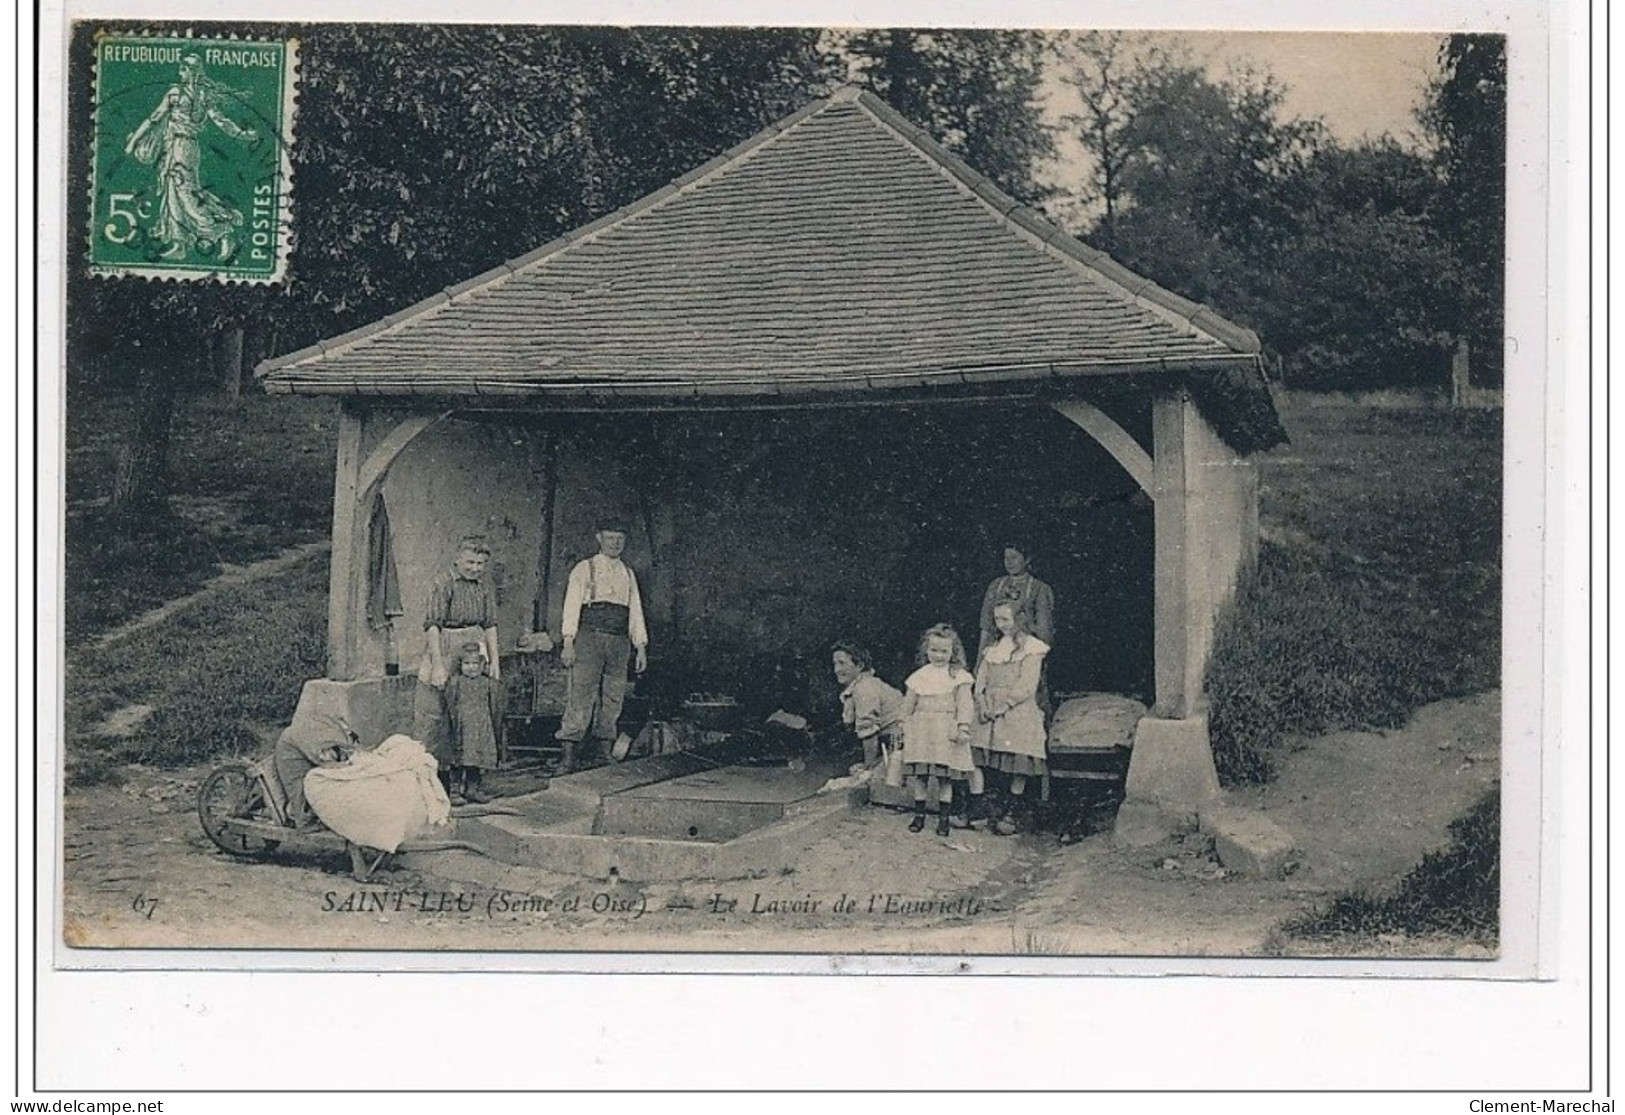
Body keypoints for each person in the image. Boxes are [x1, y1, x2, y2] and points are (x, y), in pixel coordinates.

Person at [122, 54, 258, 262]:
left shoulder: (178, 94)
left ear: (191, 71)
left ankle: (222, 232)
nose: (181, 71)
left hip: (180, 146)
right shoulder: (203, 95)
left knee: (185, 194)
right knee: (174, 193)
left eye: (184, 68)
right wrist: (241, 134)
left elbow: (154, 119)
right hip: (187, 147)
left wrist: (133, 142)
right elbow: (221, 121)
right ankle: (179, 244)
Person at [556, 519, 648, 771]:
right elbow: (572, 606)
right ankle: (568, 757)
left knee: (613, 696)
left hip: (619, 642)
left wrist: (640, 646)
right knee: (581, 694)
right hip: (589, 638)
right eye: (610, 538)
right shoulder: (585, 569)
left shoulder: (628, 573)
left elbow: (636, 612)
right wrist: (568, 641)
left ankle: (603, 753)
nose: (615, 543)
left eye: (620, 539)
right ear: (599, 538)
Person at [413, 536, 501, 784]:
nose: (475, 568)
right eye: (470, 562)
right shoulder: (443, 583)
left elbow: (491, 623)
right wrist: (438, 664)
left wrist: (494, 660)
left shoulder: (484, 586)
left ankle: (470, 782)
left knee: (473, 714)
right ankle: (440, 784)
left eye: (480, 563)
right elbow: (432, 626)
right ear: (457, 558)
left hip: (475, 646)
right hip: (445, 644)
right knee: (438, 713)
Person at [973, 602, 1051, 836]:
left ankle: (1012, 811)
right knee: (976, 750)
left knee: (1017, 756)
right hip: (990, 707)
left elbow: (1027, 685)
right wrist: (983, 704)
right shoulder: (993, 649)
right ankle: (981, 809)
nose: (1001, 624)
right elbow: (981, 681)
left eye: (1006, 619)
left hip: (1016, 707)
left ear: (1020, 619)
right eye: (997, 619)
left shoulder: (1032, 649)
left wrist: (1003, 706)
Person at [897, 624, 976, 837]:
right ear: (926, 650)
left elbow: (964, 704)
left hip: (945, 729)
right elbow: (908, 704)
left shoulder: (958, 676)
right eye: (934, 650)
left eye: (944, 651)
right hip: (922, 730)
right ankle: (919, 815)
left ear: (953, 651)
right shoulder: (919, 676)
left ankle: (943, 819)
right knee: (921, 775)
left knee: (944, 777)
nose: (938, 655)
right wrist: (902, 724)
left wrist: (963, 726)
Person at [271, 714, 359, 831]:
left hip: (300, 753)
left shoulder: (325, 729)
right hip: (292, 762)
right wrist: (344, 765)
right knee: (302, 790)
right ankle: (305, 822)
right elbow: (324, 760)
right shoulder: (314, 736)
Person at [441, 643, 501, 805]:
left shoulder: (486, 683)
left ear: (482, 665)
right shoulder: (456, 683)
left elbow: (493, 706)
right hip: (462, 727)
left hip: (481, 728)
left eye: (475, 664)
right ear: (460, 665)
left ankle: (472, 789)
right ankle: (454, 792)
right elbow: (450, 704)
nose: (471, 668)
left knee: (476, 759)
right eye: (467, 664)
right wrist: (454, 723)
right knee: (459, 759)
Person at [831, 640, 905, 772]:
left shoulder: (865, 688)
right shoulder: (861, 685)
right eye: (835, 664)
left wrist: (868, 766)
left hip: (902, 744)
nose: (837, 670)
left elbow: (869, 732)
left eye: (842, 663)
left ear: (859, 665)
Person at [977, 543, 1055, 661]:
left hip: (1026, 652)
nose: (1009, 562)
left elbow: (1044, 631)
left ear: (1027, 559)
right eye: (1006, 558)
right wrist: (980, 660)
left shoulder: (1039, 588)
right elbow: (986, 627)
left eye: (1014, 558)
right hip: (997, 652)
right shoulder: (996, 585)